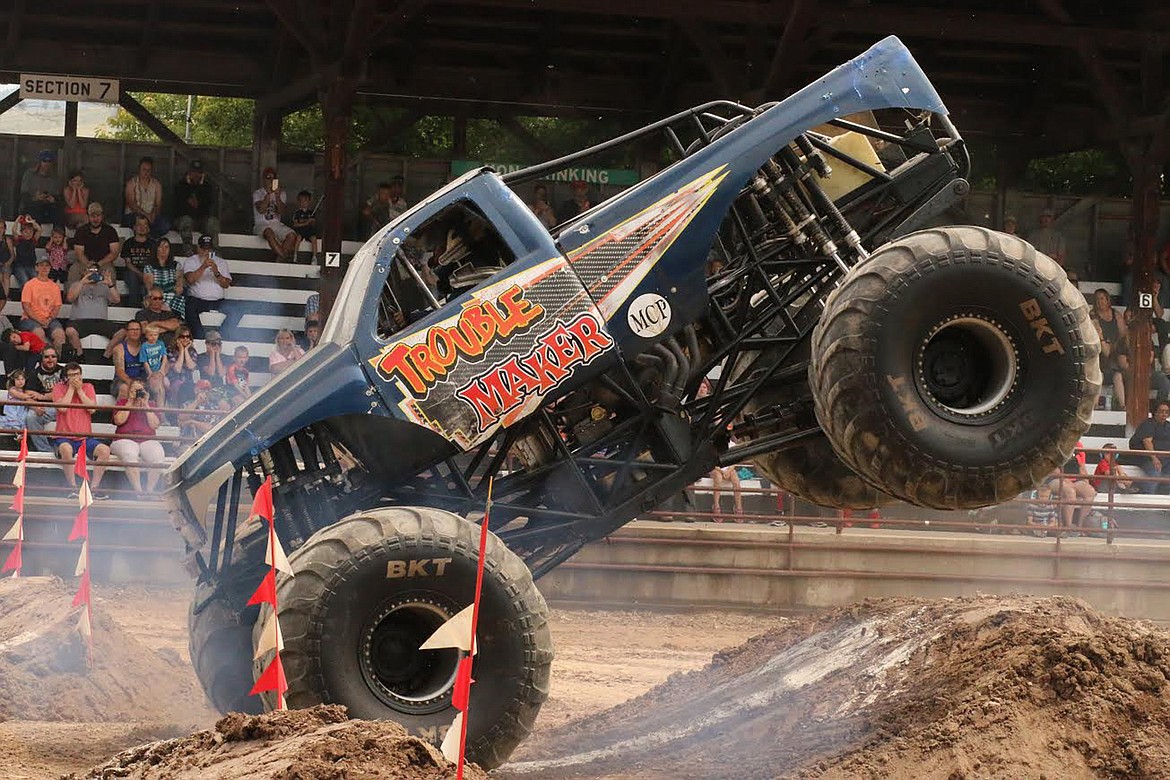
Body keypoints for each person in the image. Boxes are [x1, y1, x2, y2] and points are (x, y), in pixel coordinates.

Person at [51, 362, 110, 499]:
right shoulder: (58, 388)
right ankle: (72, 487)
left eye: (77, 374)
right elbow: (62, 408)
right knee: (66, 448)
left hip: (85, 438)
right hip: (64, 436)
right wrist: (71, 389)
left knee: (104, 450)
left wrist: (79, 390)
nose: (75, 378)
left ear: (81, 375)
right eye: (71, 375)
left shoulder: (88, 387)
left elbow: (92, 409)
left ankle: (94, 488)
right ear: (66, 377)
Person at [111, 378, 166, 495]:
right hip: (124, 439)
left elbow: (155, 425)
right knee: (129, 453)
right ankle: (139, 491)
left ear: (146, 392)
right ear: (129, 391)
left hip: (147, 440)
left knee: (158, 456)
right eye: (134, 390)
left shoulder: (151, 405)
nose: (137, 393)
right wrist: (130, 402)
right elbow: (119, 420)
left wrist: (146, 405)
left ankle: (150, 491)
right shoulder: (122, 403)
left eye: (139, 390)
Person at [64, 263, 122, 358]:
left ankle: (106, 356)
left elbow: (116, 300)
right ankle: (79, 355)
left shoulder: (105, 286)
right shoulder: (76, 284)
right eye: (90, 271)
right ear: (84, 272)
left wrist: (110, 285)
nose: (93, 273)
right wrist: (82, 283)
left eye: (95, 271)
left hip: (100, 321)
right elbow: (70, 298)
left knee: (122, 332)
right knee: (70, 331)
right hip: (79, 321)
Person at [181, 235, 231, 339]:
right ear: (198, 248)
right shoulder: (191, 261)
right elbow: (190, 280)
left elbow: (226, 284)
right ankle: (200, 337)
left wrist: (216, 272)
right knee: (189, 307)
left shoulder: (221, 262)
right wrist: (203, 266)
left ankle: (222, 335)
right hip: (198, 301)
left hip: (218, 301)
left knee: (236, 309)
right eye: (204, 249)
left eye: (209, 249)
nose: (206, 252)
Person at [172, 159, 220, 252]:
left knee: (212, 222)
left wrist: (200, 187)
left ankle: (214, 254)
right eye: (194, 172)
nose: (196, 175)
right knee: (186, 220)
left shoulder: (207, 187)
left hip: (200, 220)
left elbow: (207, 208)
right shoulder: (180, 186)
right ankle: (188, 252)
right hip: (183, 221)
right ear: (189, 173)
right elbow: (177, 209)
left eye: (199, 173)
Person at [19, 258, 66, 353]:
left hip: (49, 319)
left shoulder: (55, 286)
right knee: (39, 333)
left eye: (47, 266)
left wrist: (50, 319)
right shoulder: (29, 285)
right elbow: (26, 306)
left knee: (60, 335)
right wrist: (39, 320)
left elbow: (57, 307)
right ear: (36, 268)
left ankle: (57, 362)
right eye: (41, 265)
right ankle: (44, 361)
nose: (44, 268)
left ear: (50, 268)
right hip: (30, 319)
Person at [1124, 400, 1170, 494]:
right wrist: (1154, 458)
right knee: (1155, 470)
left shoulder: (1168, 426)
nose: (1164, 414)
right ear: (1155, 412)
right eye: (1161, 411)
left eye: (1166, 412)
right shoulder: (1148, 424)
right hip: (1147, 457)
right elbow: (1147, 442)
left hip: (1165, 458)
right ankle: (1146, 495)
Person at [252, 167, 298, 261]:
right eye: (268, 178)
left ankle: (279, 258)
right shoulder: (258, 193)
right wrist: (268, 195)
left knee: (292, 235)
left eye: (273, 178)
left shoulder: (281, 193)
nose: (271, 180)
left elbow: (281, 212)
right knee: (269, 232)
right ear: (263, 179)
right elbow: (261, 210)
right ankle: (283, 255)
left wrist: (277, 196)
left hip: (276, 224)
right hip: (261, 224)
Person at [1091, 288, 1127, 408]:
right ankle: (1094, 405)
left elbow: (1123, 334)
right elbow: (1095, 334)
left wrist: (1115, 345)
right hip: (1099, 353)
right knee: (1099, 374)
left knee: (1117, 375)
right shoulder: (1092, 315)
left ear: (1107, 300)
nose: (1099, 302)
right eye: (1097, 299)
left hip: (1115, 349)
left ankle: (1123, 406)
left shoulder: (1116, 314)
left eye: (1102, 298)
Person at [24, 348, 64, 451]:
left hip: (63, 406)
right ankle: (45, 450)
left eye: (53, 356)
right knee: (31, 416)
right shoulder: (34, 373)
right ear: (41, 359)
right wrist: (35, 407)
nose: (50, 359)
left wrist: (42, 396)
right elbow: (27, 394)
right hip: (44, 408)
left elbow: (66, 394)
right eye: (46, 357)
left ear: (57, 358)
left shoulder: (64, 371)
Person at [142, 237, 186, 322]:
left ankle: (174, 320)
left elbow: (179, 280)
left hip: (172, 295)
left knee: (181, 298)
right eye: (161, 247)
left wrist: (179, 286)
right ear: (156, 249)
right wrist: (159, 299)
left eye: (166, 247)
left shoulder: (176, 265)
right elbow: (149, 285)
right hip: (157, 295)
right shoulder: (149, 266)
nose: (164, 250)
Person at [123, 156, 168, 236]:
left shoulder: (157, 184)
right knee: (136, 223)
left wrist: (153, 214)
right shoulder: (131, 183)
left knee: (165, 226)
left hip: (151, 215)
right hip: (134, 214)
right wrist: (145, 215)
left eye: (149, 170)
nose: (146, 172)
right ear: (139, 169)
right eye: (144, 169)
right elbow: (131, 204)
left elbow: (158, 204)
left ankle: (150, 242)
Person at [71, 202, 121, 273]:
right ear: (88, 216)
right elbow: (79, 253)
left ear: (102, 216)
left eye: (98, 215)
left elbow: (114, 253)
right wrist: (89, 264)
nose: (95, 219)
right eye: (92, 216)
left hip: (104, 263)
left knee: (110, 272)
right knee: (73, 271)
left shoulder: (110, 231)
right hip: (84, 263)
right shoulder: (81, 231)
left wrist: (98, 264)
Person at [120, 214, 156, 307]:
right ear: (134, 227)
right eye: (139, 224)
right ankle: (134, 306)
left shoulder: (153, 244)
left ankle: (148, 308)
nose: (142, 227)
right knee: (132, 277)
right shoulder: (128, 243)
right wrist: (141, 274)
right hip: (132, 271)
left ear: (148, 228)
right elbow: (128, 264)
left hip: (148, 273)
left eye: (145, 225)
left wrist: (146, 275)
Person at [20, 150, 60, 225]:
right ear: (39, 162)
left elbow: (57, 197)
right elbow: (23, 194)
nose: (47, 164)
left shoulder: (55, 178)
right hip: (31, 206)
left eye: (49, 161)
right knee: (35, 208)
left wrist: (52, 199)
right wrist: (35, 198)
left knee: (58, 212)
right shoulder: (29, 175)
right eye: (44, 161)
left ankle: (57, 235)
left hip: (48, 207)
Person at [111, 320, 147, 401]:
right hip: (122, 381)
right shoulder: (119, 348)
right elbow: (120, 371)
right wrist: (132, 383)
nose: (135, 332)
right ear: (126, 332)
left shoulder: (146, 347)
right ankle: (119, 413)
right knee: (125, 388)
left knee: (157, 386)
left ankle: (160, 413)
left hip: (142, 380)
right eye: (132, 329)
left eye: (137, 329)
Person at [168, 326, 199, 407]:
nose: (185, 339)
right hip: (174, 380)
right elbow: (177, 369)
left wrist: (186, 350)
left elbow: (191, 367)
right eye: (182, 337)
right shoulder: (170, 350)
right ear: (177, 338)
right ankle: (177, 411)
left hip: (189, 381)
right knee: (179, 384)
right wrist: (181, 350)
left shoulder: (192, 351)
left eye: (188, 337)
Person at [0, 369, 34, 441]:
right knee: (14, 421)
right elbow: (22, 396)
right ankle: (17, 434)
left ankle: (22, 435)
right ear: (13, 381)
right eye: (18, 379)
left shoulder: (25, 390)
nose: (21, 381)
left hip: (22, 410)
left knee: (24, 419)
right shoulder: (12, 390)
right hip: (13, 409)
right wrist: (32, 396)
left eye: (22, 379)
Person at [140, 324, 169, 405]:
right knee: (159, 388)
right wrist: (150, 373)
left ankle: (165, 404)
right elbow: (145, 362)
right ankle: (160, 409)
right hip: (151, 372)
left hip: (160, 372)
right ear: (146, 335)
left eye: (155, 335)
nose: (153, 337)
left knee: (167, 384)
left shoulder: (160, 344)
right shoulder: (144, 346)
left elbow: (164, 357)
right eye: (151, 335)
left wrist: (162, 370)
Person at [11, 216, 41, 287]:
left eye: (30, 231)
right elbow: (13, 230)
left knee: (35, 278)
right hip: (19, 266)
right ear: (21, 232)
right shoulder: (19, 240)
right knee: (25, 280)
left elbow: (39, 230)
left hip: (31, 266)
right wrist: (17, 220)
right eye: (26, 231)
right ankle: (25, 296)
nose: (28, 233)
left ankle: (34, 297)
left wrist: (32, 221)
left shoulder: (33, 240)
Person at [291, 190, 318, 262]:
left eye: (305, 200)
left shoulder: (311, 213)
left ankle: (314, 257)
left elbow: (313, 224)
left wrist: (312, 221)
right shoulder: (297, 213)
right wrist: (306, 223)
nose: (303, 202)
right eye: (301, 200)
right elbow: (295, 224)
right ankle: (295, 255)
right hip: (300, 231)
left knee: (314, 239)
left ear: (309, 201)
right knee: (298, 238)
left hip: (309, 231)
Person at [0, 217, 13, 300]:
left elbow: (12, 255)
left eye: (1, 227)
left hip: (6, 263)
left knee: (6, 275)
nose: (0, 230)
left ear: (4, 229)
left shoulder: (7, 240)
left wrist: (8, 262)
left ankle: (5, 296)